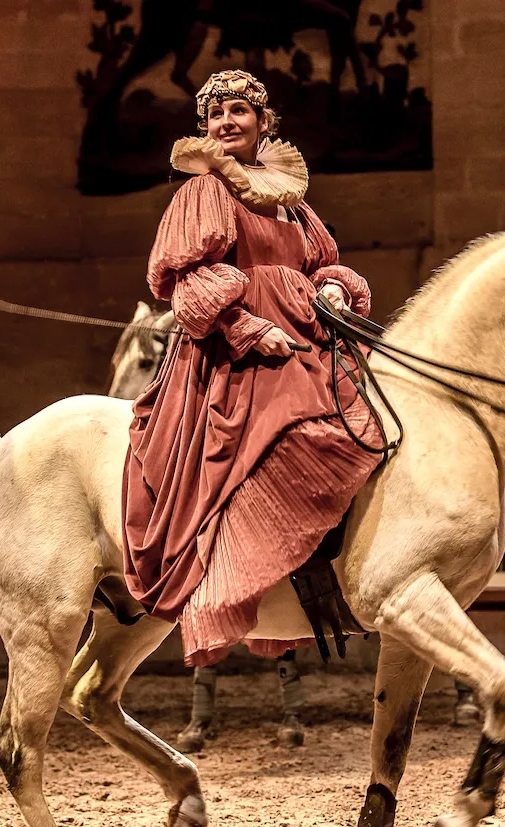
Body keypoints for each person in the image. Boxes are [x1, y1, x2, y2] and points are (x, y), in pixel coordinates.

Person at [122, 69, 384, 688]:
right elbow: (189, 284)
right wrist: (247, 330)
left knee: (372, 418)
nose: (226, 124)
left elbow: (322, 260)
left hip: (308, 331)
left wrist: (331, 290)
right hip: (239, 352)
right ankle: (255, 570)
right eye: (215, 116)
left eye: (238, 111)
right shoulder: (205, 191)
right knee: (308, 435)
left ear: (265, 123)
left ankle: (350, 564)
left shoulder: (287, 193)